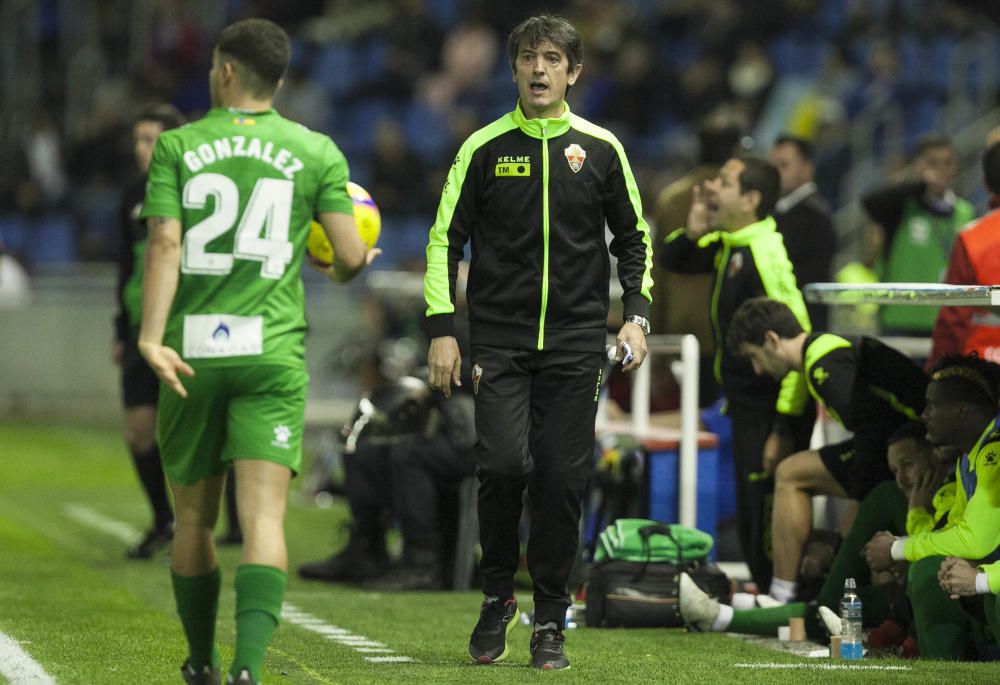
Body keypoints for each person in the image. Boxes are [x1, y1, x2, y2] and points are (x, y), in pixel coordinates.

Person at [138, 18, 378, 685]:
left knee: (193, 517)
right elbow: (349, 259)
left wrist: (150, 336)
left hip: (191, 353)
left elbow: (164, 243)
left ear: (225, 72)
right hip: (271, 352)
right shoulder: (317, 150)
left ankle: (200, 661)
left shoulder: (179, 145)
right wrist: (352, 260)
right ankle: (247, 667)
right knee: (265, 516)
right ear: (277, 80)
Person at [423, 14, 652, 671]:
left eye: (553, 58)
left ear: (574, 72)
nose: (540, 69)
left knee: (559, 476)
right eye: (529, 57)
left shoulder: (602, 148)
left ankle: (550, 616)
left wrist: (635, 314)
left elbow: (633, 238)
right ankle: (498, 594)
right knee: (499, 465)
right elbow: (445, 239)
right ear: (514, 68)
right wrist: (444, 329)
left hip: (579, 340)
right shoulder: (483, 147)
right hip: (498, 337)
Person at [660, 155, 812, 592]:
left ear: (750, 199)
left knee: (765, 504)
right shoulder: (734, 243)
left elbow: (799, 344)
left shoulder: (764, 254)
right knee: (751, 505)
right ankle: (768, 594)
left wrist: (783, 426)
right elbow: (676, 259)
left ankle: (779, 596)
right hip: (746, 404)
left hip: (770, 410)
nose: (711, 188)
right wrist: (694, 225)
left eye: (724, 183)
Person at [727, 296, 927, 603]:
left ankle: (784, 596)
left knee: (791, 475)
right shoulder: (820, 351)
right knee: (791, 471)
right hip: (902, 439)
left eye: (755, 357)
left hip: (919, 448)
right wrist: (781, 432)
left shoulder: (823, 365)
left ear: (771, 340)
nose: (757, 370)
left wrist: (847, 523)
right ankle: (787, 592)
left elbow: (875, 431)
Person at [679, 422, 949, 641]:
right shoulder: (909, 496)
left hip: (953, 593)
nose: (901, 477)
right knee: (835, 607)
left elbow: (953, 546)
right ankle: (731, 614)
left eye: (908, 464)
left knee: (856, 604)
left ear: (934, 457)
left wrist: (907, 536)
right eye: (895, 469)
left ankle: (727, 614)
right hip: (911, 596)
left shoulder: (960, 487)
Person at [863, 354, 1000, 660]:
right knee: (932, 568)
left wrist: (898, 548)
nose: (923, 415)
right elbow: (956, 530)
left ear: (961, 410)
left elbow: (976, 539)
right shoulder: (971, 456)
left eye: (932, 405)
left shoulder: (995, 451)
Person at [298, 376, 476, 591]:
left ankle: (422, 563)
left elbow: (481, 366)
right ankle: (367, 548)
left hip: (482, 437)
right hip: (451, 421)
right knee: (364, 448)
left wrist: (436, 382)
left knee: (410, 455)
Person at [113, 103, 185, 560]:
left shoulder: (189, 189)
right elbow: (125, 265)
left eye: (152, 139)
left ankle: (227, 524)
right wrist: (121, 328)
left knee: (195, 431)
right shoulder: (131, 195)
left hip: (181, 325)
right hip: (141, 329)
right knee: (139, 431)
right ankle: (164, 520)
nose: (143, 149)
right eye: (139, 139)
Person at [861, 134, 974, 336]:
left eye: (946, 163)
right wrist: (920, 186)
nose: (939, 171)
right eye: (932, 163)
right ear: (917, 166)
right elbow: (870, 203)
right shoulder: (900, 207)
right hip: (898, 321)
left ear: (954, 169)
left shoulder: (966, 213)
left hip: (946, 323)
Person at [928, 141, 1000, 368]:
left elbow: (953, 320)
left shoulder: (973, 238)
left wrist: (936, 375)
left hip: (982, 374)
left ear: (985, 184)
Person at [768, 134, 836, 330]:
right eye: (772, 166)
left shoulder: (814, 216)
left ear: (807, 168)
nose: (774, 173)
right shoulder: (780, 211)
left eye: (784, 165)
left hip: (801, 325)